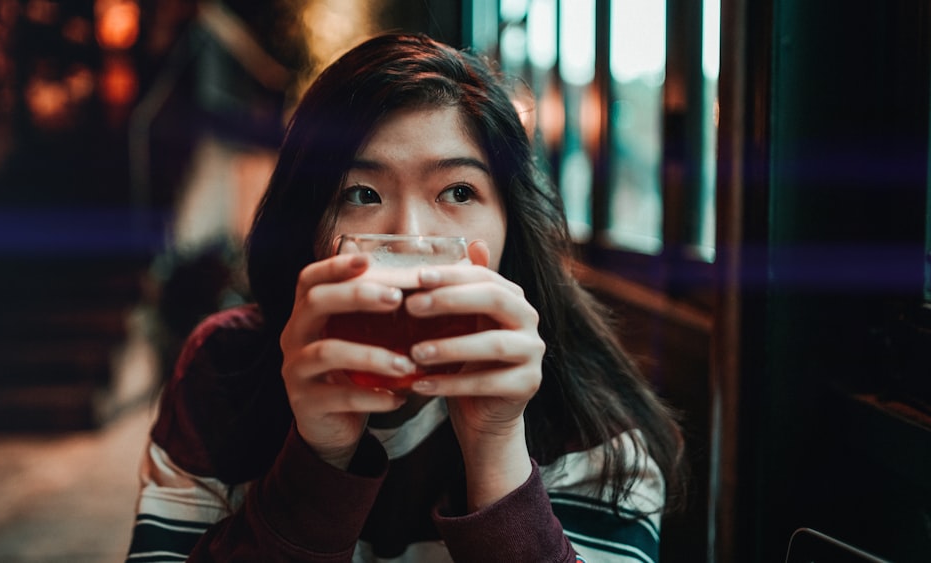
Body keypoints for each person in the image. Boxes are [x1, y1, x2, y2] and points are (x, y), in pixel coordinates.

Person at [126, 33, 685, 563]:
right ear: (308, 223)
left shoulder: (591, 422)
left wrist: (496, 450)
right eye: (361, 193)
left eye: (458, 192)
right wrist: (318, 462)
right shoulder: (224, 372)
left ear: (512, 221)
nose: (411, 240)